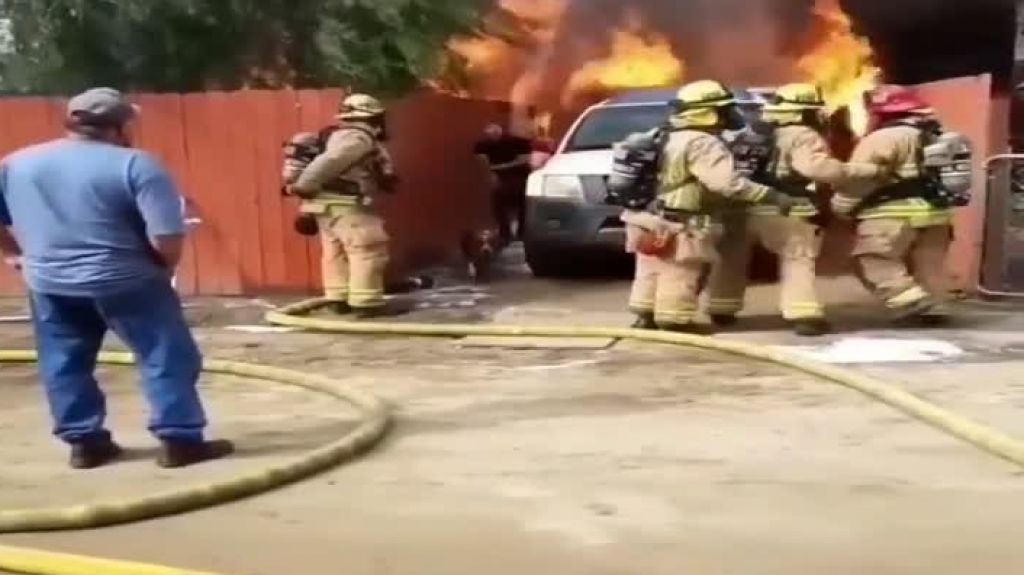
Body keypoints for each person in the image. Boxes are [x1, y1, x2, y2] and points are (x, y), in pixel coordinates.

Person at [0, 88, 233, 470]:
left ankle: (85, 443)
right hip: (128, 280)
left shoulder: (15, 164)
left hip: (50, 283)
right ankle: (180, 440)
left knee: (64, 363)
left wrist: (13, 253)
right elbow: (166, 236)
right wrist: (164, 265)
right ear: (121, 125)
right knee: (165, 356)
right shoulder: (137, 165)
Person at [706, 83, 881, 336]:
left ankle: (721, 308)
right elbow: (815, 169)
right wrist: (863, 171)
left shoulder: (748, 132)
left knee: (731, 258)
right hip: (784, 207)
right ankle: (804, 315)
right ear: (802, 112)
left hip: (739, 208)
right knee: (797, 257)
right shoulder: (802, 135)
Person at [624, 79, 796, 334]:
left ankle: (645, 314)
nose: (729, 115)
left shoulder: (662, 135)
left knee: (651, 269)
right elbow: (726, 183)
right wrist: (771, 195)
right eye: (723, 109)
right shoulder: (702, 143)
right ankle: (674, 321)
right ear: (707, 111)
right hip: (681, 222)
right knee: (680, 273)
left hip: (645, 217)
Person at [831, 85, 960, 324]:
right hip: (936, 214)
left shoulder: (884, 137)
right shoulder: (938, 133)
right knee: (929, 265)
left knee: (873, 258)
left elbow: (860, 177)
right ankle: (936, 307)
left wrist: (841, 205)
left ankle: (910, 301)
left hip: (890, 214)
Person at [289, 93, 398, 318]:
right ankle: (367, 303)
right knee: (368, 251)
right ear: (370, 117)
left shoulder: (339, 135)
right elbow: (330, 162)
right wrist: (305, 185)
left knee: (335, 252)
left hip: (326, 206)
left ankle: (338, 299)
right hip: (346, 205)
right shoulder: (357, 138)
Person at [473, 123, 532, 243]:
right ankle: (509, 233)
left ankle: (513, 233)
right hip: (511, 176)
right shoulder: (483, 145)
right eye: (489, 135)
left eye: (493, 134)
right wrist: (493, 172)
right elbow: (482, 162)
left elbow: (524, 159)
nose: (492, 137)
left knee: (516, 206)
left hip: (516, 176)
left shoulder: (518, 142)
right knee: (505, 206)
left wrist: (497, 168)